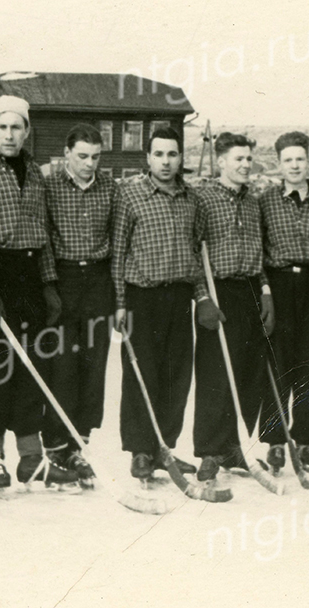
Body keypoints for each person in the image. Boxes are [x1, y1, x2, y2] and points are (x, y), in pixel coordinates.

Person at [0, 95, 77, 489]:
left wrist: (47, 285)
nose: (10, 135)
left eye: (17, 127)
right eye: (2, 127)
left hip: (29, 277)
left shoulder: (35, 173)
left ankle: (31, 458)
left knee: (32, 368)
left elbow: (41, 233)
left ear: (27, 131)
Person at [112, 126, 201, 480]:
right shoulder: (130, 195)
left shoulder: (191, 198)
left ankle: (165, 450)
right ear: (148, 158)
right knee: (140, 373)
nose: (166, 162)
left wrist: (201, 297)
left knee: (175, 376)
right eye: (159, 154)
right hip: (141, 297)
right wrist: (119, 301)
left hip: (178, 297)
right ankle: (139, 451)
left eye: (173, 154)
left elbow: (196, 251)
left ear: (181, 158)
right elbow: (118, 251)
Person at [192, 132, 275, 482]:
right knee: (215, 373)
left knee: (246, 372)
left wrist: (267, 291)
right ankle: (210, 450)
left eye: (247, 159)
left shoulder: (253, 202)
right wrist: (202, 298)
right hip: (217, 289)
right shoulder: (203, 198)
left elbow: (263, 253)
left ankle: (232, 447)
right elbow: (193, 251)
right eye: (237, 159)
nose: (244, 165)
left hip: (250, 288)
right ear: (221, 160)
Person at [42, 124, 117, 487]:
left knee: (93, 365)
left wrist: (118, 297)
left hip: (99, 281)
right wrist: (49, 285)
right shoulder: (50, 185)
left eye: (96, 157)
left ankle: (80, 443)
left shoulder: (110, 188)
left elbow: (117, 245)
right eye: (83, 156)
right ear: (68, 153)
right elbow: (43, 237)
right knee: (63, 366)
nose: (90, 164)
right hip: (64, 279)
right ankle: (56, 445)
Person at [257, 131, 309, 474]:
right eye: (287, 160)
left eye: (300, 159)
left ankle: (305, 442)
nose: (294, 165)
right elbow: (257, 250)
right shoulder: (266, 201)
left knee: (308, 366)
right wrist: (264, 290)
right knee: (278, 363)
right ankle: (276, 442)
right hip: (278, 284)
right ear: (279, 164)